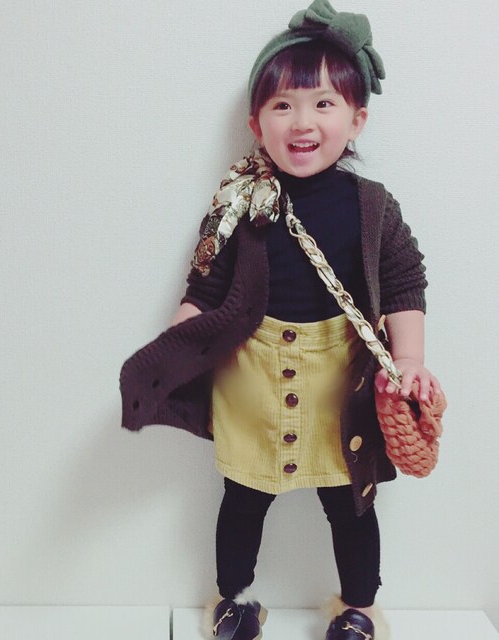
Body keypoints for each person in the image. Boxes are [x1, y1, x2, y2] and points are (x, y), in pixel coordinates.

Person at [119, 1, 442, 638]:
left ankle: (358, 608)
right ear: (255, 122)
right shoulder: (239, 203)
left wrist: (408, 360)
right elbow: (206, 285)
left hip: (342, 379)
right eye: (282, 105)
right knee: (243, 495)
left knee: (351, 502)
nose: (302, 121)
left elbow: (406, 282)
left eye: (323, 103)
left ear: (357, 118)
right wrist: (178, 343)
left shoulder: (373, 207)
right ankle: (234, 602)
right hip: (253, 372)